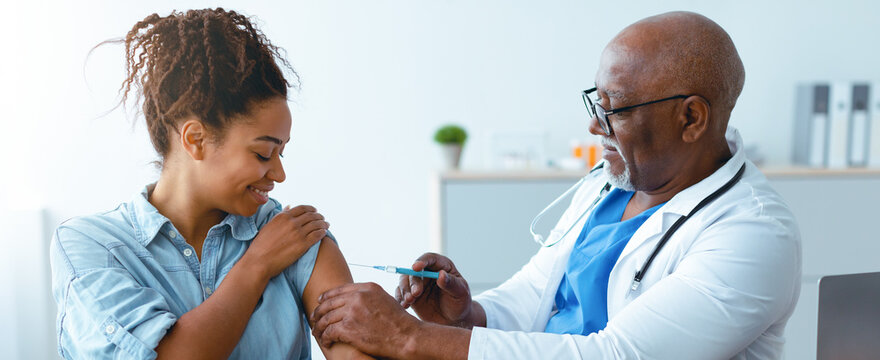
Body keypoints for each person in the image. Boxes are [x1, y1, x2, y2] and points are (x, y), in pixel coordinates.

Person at [310, 11, 802, 359]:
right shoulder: (611, 184)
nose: (595, 125)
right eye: (596, 101)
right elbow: (535, 297)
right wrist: (469, 316)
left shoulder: (753, 234)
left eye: (616, 108)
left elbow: (618, 356)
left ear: (691, 117)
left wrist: (407, 338)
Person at [49, 8, 369, 359]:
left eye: (282, 153)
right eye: (263, 153)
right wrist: (257, 265)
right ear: (196, 139)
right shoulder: (93, 246)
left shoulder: (293, 235)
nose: (279, 174)